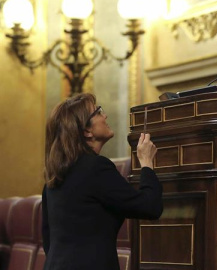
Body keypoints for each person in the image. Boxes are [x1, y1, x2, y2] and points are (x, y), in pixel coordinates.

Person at [42, 93, 163, 270]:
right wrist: (146, 163)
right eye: (98, 112)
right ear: (86, 131)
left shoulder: (55, 175)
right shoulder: (96, 167)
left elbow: (48, 240)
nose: (105, 115)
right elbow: (150, 207)